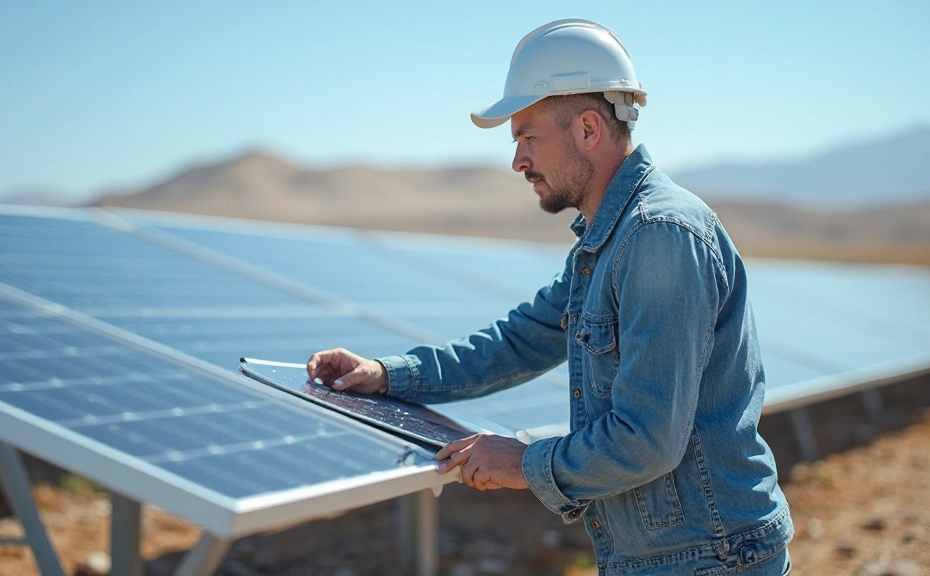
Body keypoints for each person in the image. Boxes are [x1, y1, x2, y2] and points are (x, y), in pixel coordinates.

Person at [307, 19, 792, 575]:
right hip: (670, 555)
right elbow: (516, 342)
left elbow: (648, 439)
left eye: (527, 137)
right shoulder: (607, 240)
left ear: (588, 128)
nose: (517, 162)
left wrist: (523, 463)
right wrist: (386, 375)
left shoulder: (659, 236)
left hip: (712, 558)